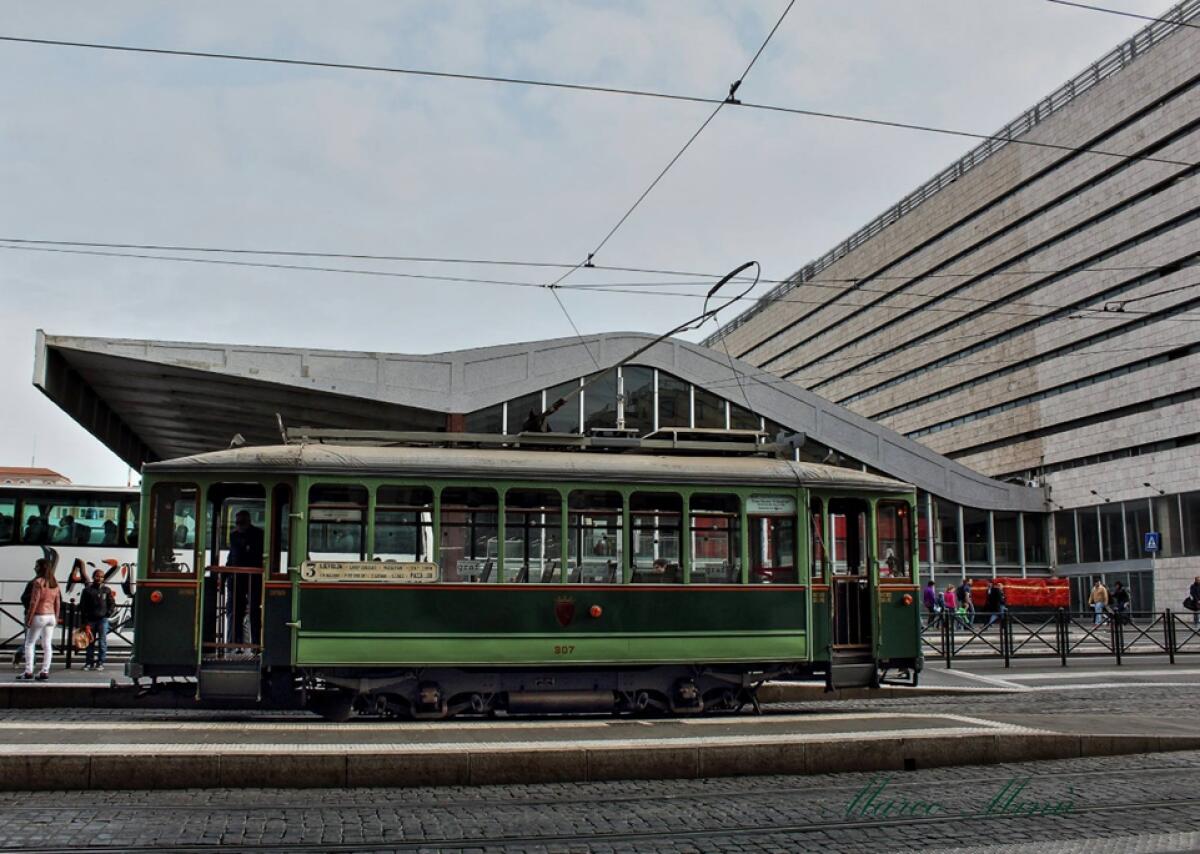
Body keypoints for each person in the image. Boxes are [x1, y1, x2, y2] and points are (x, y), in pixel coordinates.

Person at [226, 510, 263, 647]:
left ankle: (256, 644)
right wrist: (224, 576)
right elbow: (231, 557)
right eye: (237, 523)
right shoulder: (233, 535)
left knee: (254, 611)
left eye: (242, 522)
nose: (239, 525)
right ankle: (235, 644)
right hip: (236, 580)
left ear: (248, 521)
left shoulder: (258, 534)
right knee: (235, 612)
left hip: (253, 579)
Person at [20, 558, 61, 681]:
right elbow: (57, 602)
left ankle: (28, 671)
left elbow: (34, 602)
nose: (35, 568)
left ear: (41, 568)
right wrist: (57, 617)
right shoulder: (55, 583)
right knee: (47, 644)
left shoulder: (38, 582)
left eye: (36, 566)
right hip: (51, 616)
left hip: (39, 615)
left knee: (29, 643)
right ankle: (45, 671)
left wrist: (29, 617)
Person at [79, 568, 116, 672]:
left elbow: (112, 603)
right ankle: (89, 662)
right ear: (93, 577)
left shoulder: (106, 590)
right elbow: (83, 607)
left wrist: (108, 613)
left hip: (102, 619)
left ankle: (100, 662)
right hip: (90, 620)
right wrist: (85, 622)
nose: (99, 578)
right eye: (97, 576)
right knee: (89, 642)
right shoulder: (87, 590)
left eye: (101, 576)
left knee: (102, 642)